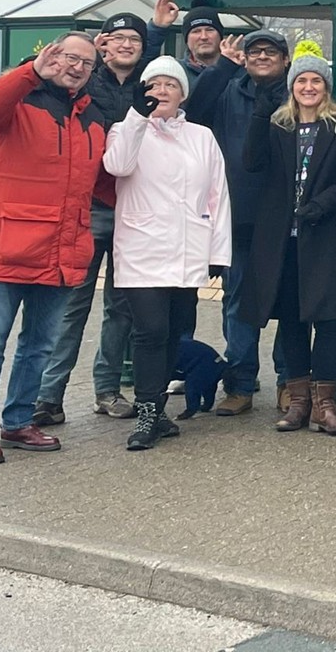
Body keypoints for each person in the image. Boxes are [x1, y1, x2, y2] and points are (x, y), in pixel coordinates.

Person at [0, 35, 112, 464]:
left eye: (87, 62)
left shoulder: (95, 118)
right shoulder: (19, 97)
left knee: (40, 346)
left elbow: (104, 182)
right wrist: (30, 73)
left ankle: (18, 421)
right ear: (52, 55)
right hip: (8, 246)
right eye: (70, 57)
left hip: (64, 250)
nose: (77, 66)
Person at [101, 57, 231, 451]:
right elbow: (117, 166)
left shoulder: (202, 136)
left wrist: (218, 250)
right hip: (143, 248)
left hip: (188, 248)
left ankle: (159, 413)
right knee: (150, 331)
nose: (162, 92)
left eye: (170, 85)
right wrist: (137, 119)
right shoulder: (125, 129)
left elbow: (217, 193)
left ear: (182, 94)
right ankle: (145, 412)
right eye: (154, 85)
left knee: (177, 331)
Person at [32, 11, 155, 427]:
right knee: (72, 305)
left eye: (134, 40)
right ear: (103, 45)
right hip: (88, 209)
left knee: (120, 307)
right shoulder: (85, 82)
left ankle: (107, 389)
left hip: (131, 210)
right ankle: (48, 395)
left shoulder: (147, 88)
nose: (126, 45)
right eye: (118, 39)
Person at [239, 41, 336, 435]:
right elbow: (251, 161)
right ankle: (298, 402)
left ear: (326, 87)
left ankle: (324, 405)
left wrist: (321, 205)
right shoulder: (278, 125)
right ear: (292, 86)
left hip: (324, 235)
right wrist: (262, 109)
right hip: (282, 240)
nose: (309, 87)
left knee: (327, 321)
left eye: (316, 81)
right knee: (291, 321)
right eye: (302, 80)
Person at [186, 29, 290, 416]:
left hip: (284, 217)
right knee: (238, 304)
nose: (262, 57)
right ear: (244, 58)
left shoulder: (298, 92)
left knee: (290, 305)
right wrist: (223, 66)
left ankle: (289, 382)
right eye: (255, 51)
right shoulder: (227, 90)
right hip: (237, 216)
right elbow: (194, 110)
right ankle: (240, 384)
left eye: (271, 51)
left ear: (285, 59)